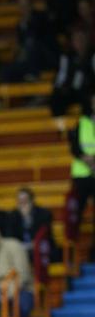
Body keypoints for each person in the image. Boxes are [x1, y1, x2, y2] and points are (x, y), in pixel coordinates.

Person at [68, 95, 95, 258]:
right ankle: (72, 253)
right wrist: (90, 162)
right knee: (76, 215)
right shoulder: (82, 122)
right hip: (82, 176)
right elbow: (74, 147)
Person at [50, 30, 95, 117]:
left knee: (88, 102)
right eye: (76, 39)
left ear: (86, 40)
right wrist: (61, 88)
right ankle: (61, 127)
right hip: (72, 90)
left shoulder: (92, 56)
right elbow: (61, 77)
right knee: (56, 99)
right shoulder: (67, 56)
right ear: (73, 41)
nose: (79, 42)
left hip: (87, 91)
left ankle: (88, 125)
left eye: (81, 39)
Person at [7, 187, 55, 257]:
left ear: (32, 201)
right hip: (20, 251)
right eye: (20, 202)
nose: (23, 205)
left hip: (40, 250)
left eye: (25, 201)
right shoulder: (12, 216)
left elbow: (43, 236)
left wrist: (27, 218)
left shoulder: (44, 214)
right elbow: (11, 238)